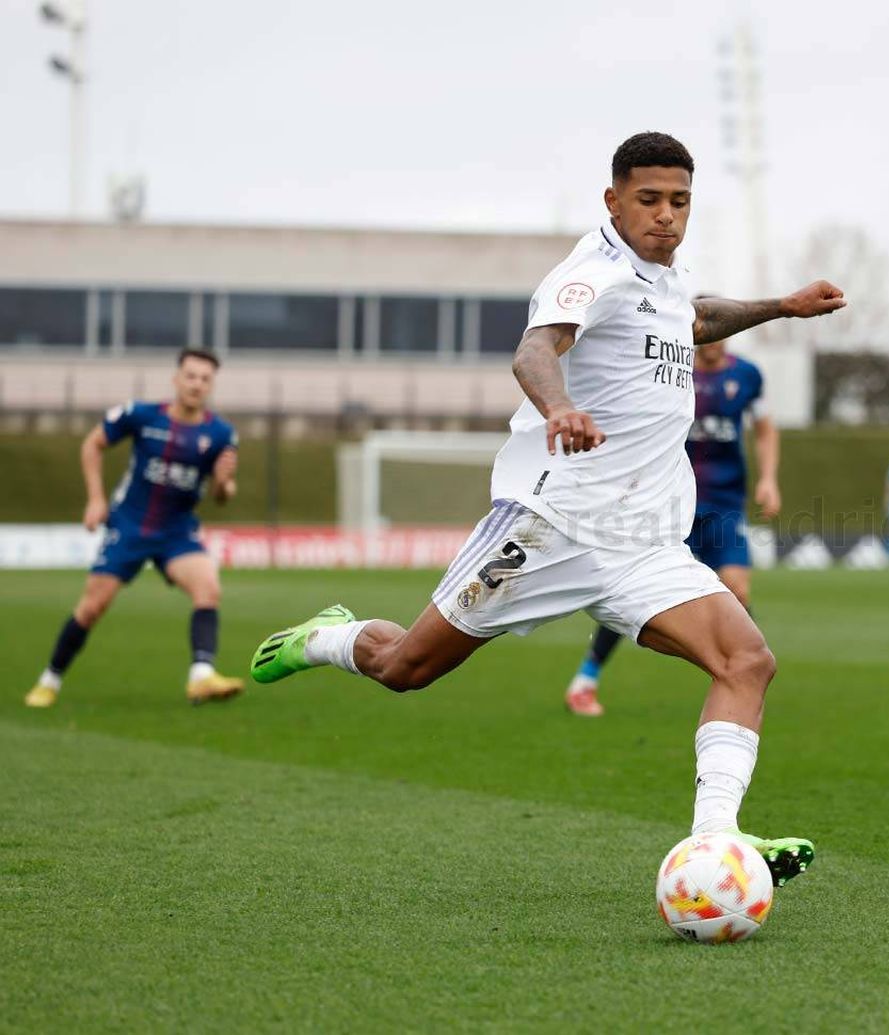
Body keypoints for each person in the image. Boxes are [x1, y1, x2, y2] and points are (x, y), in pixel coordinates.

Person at [249, 132, 844, 886]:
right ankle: (328, 637)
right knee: (405, 668)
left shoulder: (662, 280)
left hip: (642, 541)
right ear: (613, 201)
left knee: (746, 660)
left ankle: (715, 840)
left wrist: (781, 307)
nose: (666, 215)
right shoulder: (591, 271)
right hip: (549, 526)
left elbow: (694, 319)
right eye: (649, 200)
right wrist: (558, 406)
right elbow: (535, 350)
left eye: (680, 201)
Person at [562, 314, 780, 717]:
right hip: (667, 500)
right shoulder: (671, 371)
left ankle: (739, 677)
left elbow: (765, 429)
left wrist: (769, 479)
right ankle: (586, 679)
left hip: (724, 502)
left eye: (720, 335)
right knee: (634, 590)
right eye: (705, 336)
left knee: (738, 589)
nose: (713, 342)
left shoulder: (747, 375)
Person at [25, 348, 245, 708]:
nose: (197, 384)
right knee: (92, 607)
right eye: (191, 376)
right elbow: (92, 444)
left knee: (208, 588)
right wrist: (96, 499)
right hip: (130, 525)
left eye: (205, 379)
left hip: (176, 532)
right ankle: (49, 680)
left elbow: (224, 494)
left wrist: (223, 483)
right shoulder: (142, 415)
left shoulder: (221, 434)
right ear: (176, 379)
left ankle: (201, 676)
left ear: (211, 386)